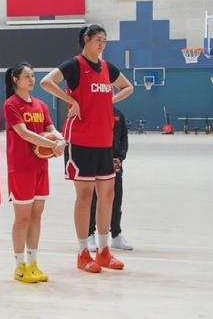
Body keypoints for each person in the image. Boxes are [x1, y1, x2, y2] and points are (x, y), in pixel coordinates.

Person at [41, 24, 133, 273]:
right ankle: (83, 253)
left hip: (104, 141)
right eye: (98, 39)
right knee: (84, 196)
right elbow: (46, 82)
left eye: (105, 40)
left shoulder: (107, 68)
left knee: (108, 195)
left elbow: (128, 87)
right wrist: (71, 101)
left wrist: (108, 100)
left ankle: (103, 251)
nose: (102, 44)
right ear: (86, 39)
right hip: (81, 140)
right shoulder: (74, 65)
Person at [3, 62, 66, 284]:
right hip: (21, 168)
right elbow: (24, 134)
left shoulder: (41, 105)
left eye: (33, 76)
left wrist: (60, 139)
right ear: (15, 79)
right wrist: (53, 144)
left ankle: (33, 263)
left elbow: (51, 128)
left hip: (41, 168)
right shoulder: (11, 104)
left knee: (37, 215)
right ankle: (19, 266)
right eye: (27, 76)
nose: (32, 80)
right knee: (22, 217)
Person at [88, 107, 132, 251]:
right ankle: (89, 235)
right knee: (93, 200)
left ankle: (116, 235)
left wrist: (120, 158)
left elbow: (124, 138)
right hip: (96, 161)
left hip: (114, 163)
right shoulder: (92, 111)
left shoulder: (119, 114)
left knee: (116, 199)